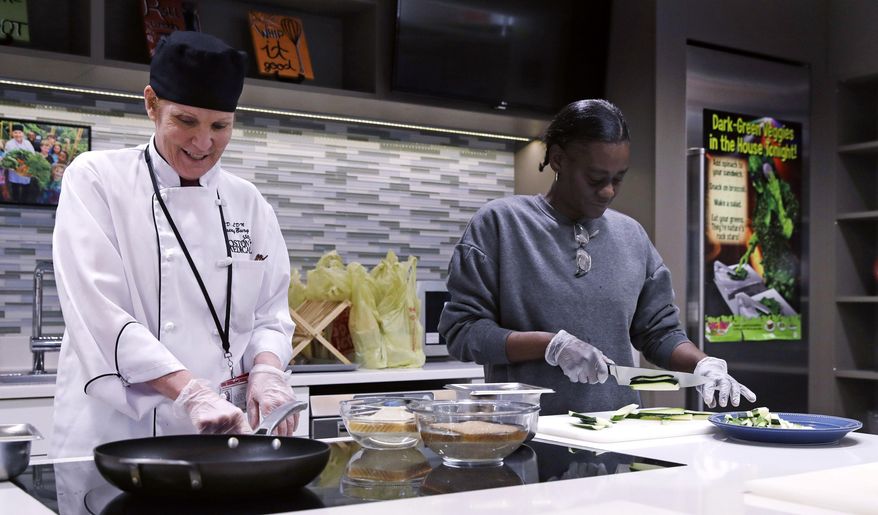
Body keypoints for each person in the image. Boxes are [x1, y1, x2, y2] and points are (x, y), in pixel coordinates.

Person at [51, 31, 298, 458]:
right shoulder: (97, 179)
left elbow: (270, 315)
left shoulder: (250, 204)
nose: (203, 144)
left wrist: (267, 369)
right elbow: (98, 311)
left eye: (220, 126)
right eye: (186, 121)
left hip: (225, 433)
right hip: (116, 438)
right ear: (151, 104)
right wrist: (190, 394)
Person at [438, 99, 756, 415]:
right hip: (530, 437)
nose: (608, 191)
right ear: (558, 159)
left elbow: (659, 332)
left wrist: (702, 365)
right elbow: (463, 332)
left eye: (618, 179)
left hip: (618, 438)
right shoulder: (501, 224)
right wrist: (550, 346)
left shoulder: (632, 236)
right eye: (595, 179)